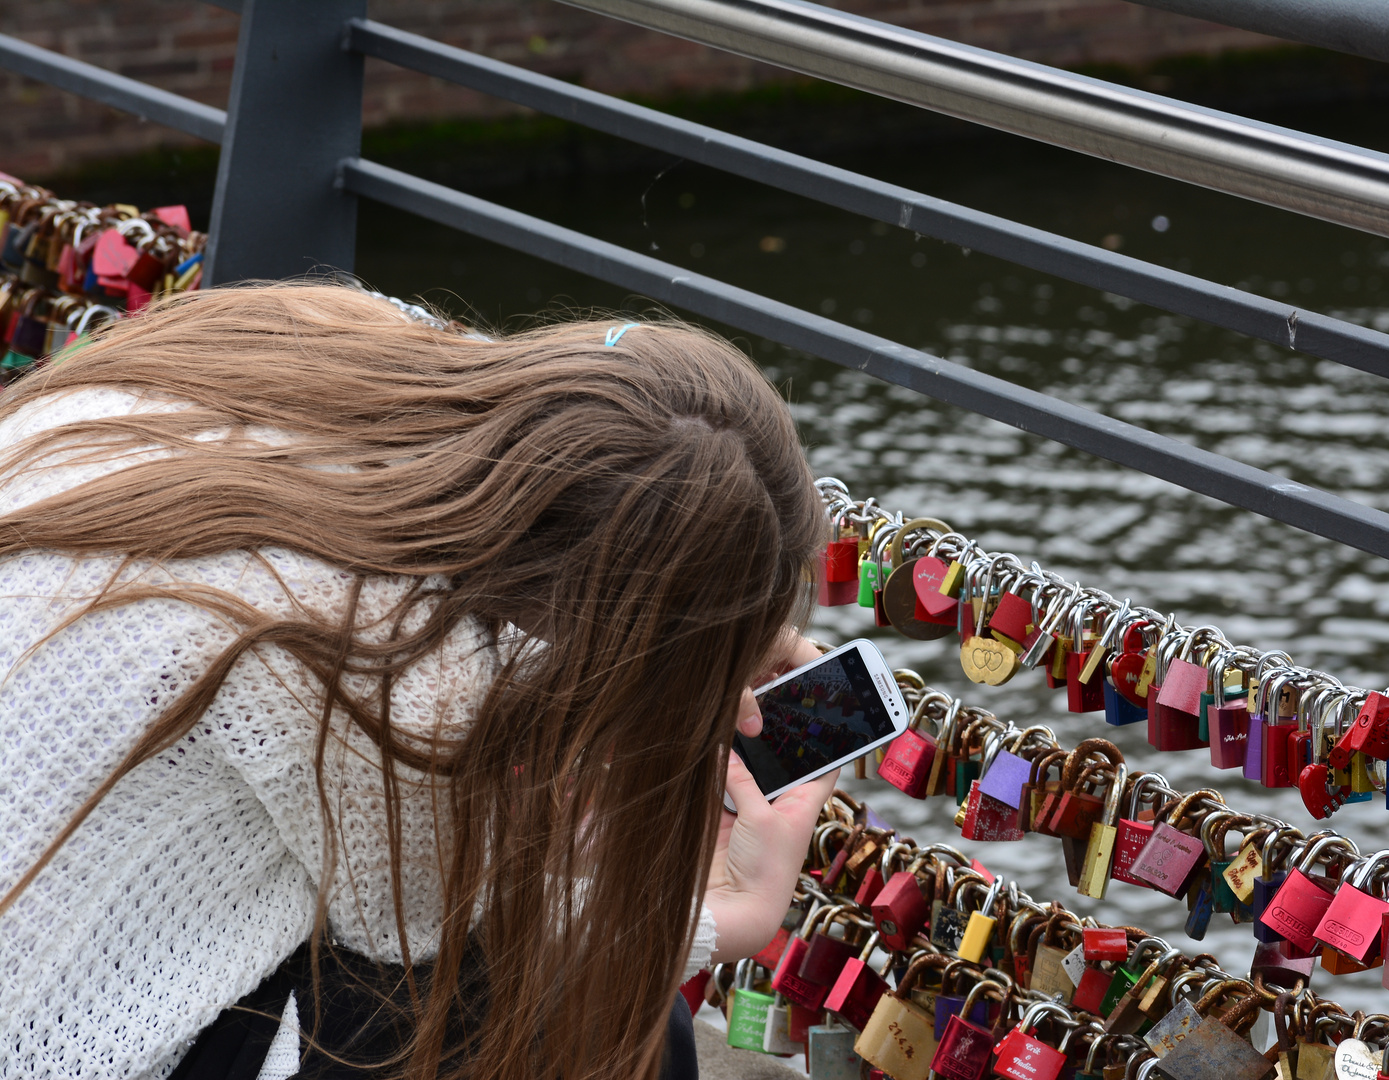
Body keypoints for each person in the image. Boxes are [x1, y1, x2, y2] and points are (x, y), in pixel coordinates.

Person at [0, 283, 837, 1079]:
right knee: (618, 1020)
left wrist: (697, 627)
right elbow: (420, 933)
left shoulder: (326, 335)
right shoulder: (391, 681)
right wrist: (733, 914)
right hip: (58, 1035)